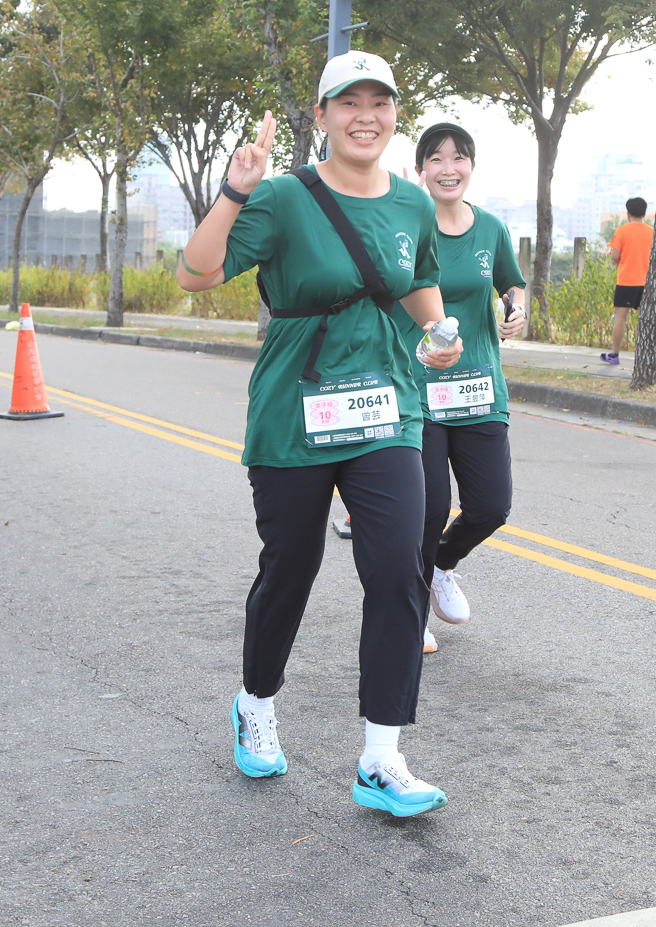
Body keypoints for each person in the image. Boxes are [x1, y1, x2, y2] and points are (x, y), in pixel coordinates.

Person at [175, 50, 463, 819]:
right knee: (291, 571)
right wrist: (236, 190)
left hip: (385, 411)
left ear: (394, 114)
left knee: (398, 569)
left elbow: (416, 282)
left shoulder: (411, 204)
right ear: (323, 115)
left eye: (380, 102)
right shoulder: (282, 198)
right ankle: (255, 702)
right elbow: (195, 273)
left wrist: (439, 331)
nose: (366, 117)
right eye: (349, 103)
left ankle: (381, 757)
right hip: (295, 412)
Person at [400, 123, 527, 655]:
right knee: (429, 508)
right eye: (436, 158)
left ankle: (441, 564)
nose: (448, 168)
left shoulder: (491, 228)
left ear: (471, 167)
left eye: (458, 158)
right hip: (418, 389)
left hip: (478, 389)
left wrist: (517, 308)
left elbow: (511, 281)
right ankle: (410, 614)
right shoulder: (406, 227)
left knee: (491, 506)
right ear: (421, 170)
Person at [600, 197, 652, 366]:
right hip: (647, 282)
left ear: (628, 213)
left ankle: (615, 354)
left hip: (626, 281)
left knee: (620, 318)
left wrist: (617, 259)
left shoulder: (622, 231)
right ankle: (647, 355)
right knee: (646, 320)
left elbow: (614, 255)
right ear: (644, 213)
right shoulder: (652, 232)